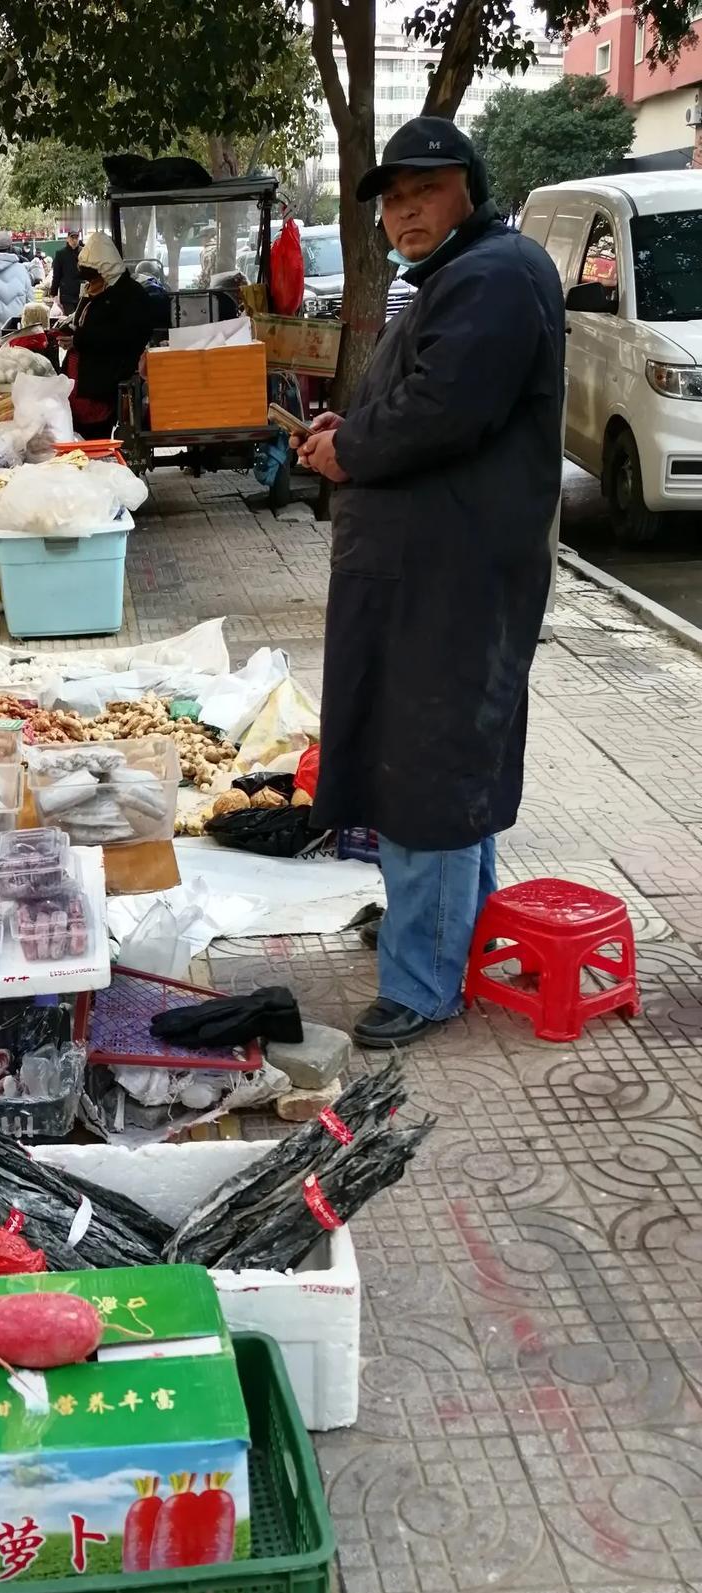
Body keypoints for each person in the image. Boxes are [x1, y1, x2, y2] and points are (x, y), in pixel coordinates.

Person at [292, 117, 565, 1049]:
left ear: (469, 189)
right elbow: (417, 399)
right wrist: (348, 424)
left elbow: (441, 414)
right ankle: (454, 930)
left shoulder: (494, 277)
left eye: (424, 192)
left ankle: (424, 979)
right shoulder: (460, 279)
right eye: (393, 202)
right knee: (437, 764)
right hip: (425, 573)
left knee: (432, 770)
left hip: (455, 583)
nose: (405, 213)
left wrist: (347, 448)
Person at [64, 232, 156, 439]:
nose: (89, 285)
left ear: (105, 273)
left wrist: (79, 339)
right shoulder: (96, 293)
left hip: (103, 381)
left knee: (94, 433)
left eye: (93, 278)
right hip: (87, 379)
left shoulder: (130, 296)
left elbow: (125, 335)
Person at [50, 229, 83, 315]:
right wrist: (53, 292)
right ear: (67, 239)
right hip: (67, 293)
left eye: (76, 237)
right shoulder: (61, 254)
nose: (74, 240)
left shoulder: (84, 252)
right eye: (72, 238)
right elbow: (56, 274)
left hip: (82, 292)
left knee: (80, 318)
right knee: (70, 318)